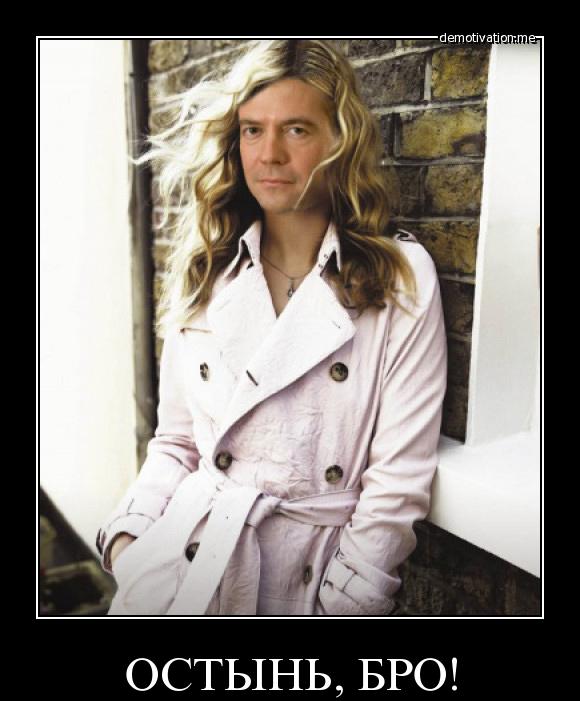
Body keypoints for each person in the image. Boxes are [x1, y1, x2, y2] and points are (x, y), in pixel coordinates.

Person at [96, 39, 448, 616]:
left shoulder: (397, 277)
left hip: (307, 583)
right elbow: (177, 443)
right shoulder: (207, 273)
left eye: (296, 130)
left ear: (340, 140)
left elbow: (397, 481)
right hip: (178, 572)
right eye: (252, 130)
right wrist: (128, 538)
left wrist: (347, 604)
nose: (270, 155)